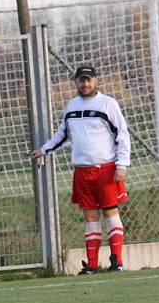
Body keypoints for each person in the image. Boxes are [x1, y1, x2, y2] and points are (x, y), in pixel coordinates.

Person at [31, 65, 131, 274]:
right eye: (82, 80)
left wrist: (122, 164)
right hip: (82, 171)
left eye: (89, 80)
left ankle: (117, 261)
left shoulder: (108, 104)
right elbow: (63, 134)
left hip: (106, 168)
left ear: (95, 81)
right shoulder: (72, 106)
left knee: (110, 212)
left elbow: (122, 134)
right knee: (90, 217)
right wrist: (44, 149)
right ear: (76, 82)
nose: (85, 84)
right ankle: (92, 265)